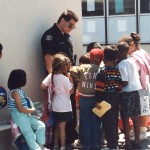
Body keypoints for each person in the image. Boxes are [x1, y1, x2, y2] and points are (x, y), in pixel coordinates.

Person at [119, 32, 150, 140]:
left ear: (131, 45)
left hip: (137, 86)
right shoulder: (143, 52)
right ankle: (141, 130)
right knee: (143, 108)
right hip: (145, 83)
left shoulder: (134, 57)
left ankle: (141, 132)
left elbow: (134, 71)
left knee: (138, 110)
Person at [70, 48, 103, 150]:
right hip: (96, 99)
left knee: (85, 122)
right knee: (96, 122)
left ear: (90, 58)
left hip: (84, 99)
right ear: (101, 60)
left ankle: (87, 145)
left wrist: (79, 78)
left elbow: (72, 70)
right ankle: (96, 144)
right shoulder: (100, 70)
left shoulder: (83, 67)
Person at [41, 54, 74, 150]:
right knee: (62, 128)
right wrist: (71, 80)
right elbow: (71, 91)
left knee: (56, 127)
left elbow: (43, 86)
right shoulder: (65, 79)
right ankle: (63, 146)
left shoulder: (51, 76)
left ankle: (55, 146)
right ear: (63, 67)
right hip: (64, 106)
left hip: (54, 106)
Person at [7, 69, 46, 150]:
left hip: (25, 114)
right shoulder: (15, 92)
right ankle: (36, 148)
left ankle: (40, 145)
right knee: (29, 133)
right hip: (19, 115)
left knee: (41, 125)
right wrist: (32, 110)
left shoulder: (19, 90)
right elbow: (20, 108)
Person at [95, 45, 122, 149]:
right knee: (114, 122)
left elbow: (99, 88)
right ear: (116, 59)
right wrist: (119, 100)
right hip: (115, 98)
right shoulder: (117, 70)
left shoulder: (102, 71)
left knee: (107, 123)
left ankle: (111, 145)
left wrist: (98, 101)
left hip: (105, 99)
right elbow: (119, 87)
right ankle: (114, 143)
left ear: (104, 57)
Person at [117, 42, 142, 149]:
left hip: (126, 93)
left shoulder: (121, 64)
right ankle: (137, 140)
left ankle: (127, 142)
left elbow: (125, 82)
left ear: (120, 52)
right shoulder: (131, 61)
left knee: (125, 118)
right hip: (135, 91)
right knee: (136, 117)